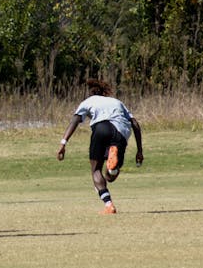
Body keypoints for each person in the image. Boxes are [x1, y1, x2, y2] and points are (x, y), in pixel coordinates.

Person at [56, 78, 144, 214]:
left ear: (91, 93)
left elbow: (75, 121)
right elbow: (135, 124)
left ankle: (109, 205)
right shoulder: (117, 102)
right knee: (111, 176)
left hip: (101, 128)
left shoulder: (88, 102)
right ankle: (112, 167)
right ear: (104, 93)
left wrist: (63, 143)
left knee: (96, 170)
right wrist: (139, 151)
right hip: (121, 132)